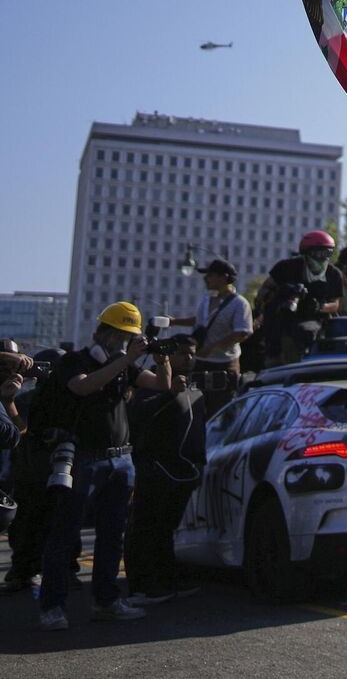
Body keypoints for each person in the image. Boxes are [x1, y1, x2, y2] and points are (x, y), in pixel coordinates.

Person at [38, 302, 175, 630]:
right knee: (65, 534)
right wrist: (125, 360)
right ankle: (52, 607)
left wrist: (163, 360)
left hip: (121, 459)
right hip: (84, 458)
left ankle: (107, 600)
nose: (124, 342)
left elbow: (161, 385)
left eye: (129, 337)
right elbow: (82, 386)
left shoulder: (123, 365)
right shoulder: (75, 361)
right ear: (103, 333)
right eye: (120, 335)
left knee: (113, 535)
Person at [124, 366, 203, 605]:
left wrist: (199, 463)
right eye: (182, 353)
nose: (188, 358)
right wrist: (169, 393)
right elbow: (138, 413)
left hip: (180, 471)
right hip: (152, 469)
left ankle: (165, 579)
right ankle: (143, 586)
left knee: (165, 527)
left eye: (192, 353)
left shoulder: (193, 388)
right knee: (145, 527)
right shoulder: (149, 386)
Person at [3, 349, 63, 595]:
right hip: (30, 471)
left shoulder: (74, 398)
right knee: (25, 525)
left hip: (56, 470)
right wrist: (9, 401)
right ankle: (23, 570)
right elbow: (21, 432)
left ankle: (60, 569)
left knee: (57, 524)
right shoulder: (28, 399)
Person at [252, 231, 345, 370]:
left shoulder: (334, 274)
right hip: (281, 322)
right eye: (318, 253)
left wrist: (319, 307)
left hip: (314, 323)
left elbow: (336, 304)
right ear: (306, 253)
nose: (322, 257)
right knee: (274, 362)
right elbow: (263, 293)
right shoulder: (285, 268)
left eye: (327, 253)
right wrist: (282, 292)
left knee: (308, 336)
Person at [169, 258, 250, 413]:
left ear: (224, 277)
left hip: (224, 364)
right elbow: (200, 321)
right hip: (200, 362)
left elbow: (242, 332)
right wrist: (174, 322)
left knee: (221, 408)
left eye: (210, 275)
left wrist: (213, 348)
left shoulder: (239, 303)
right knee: (196, 405)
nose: (206, 279)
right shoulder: (206, 300)